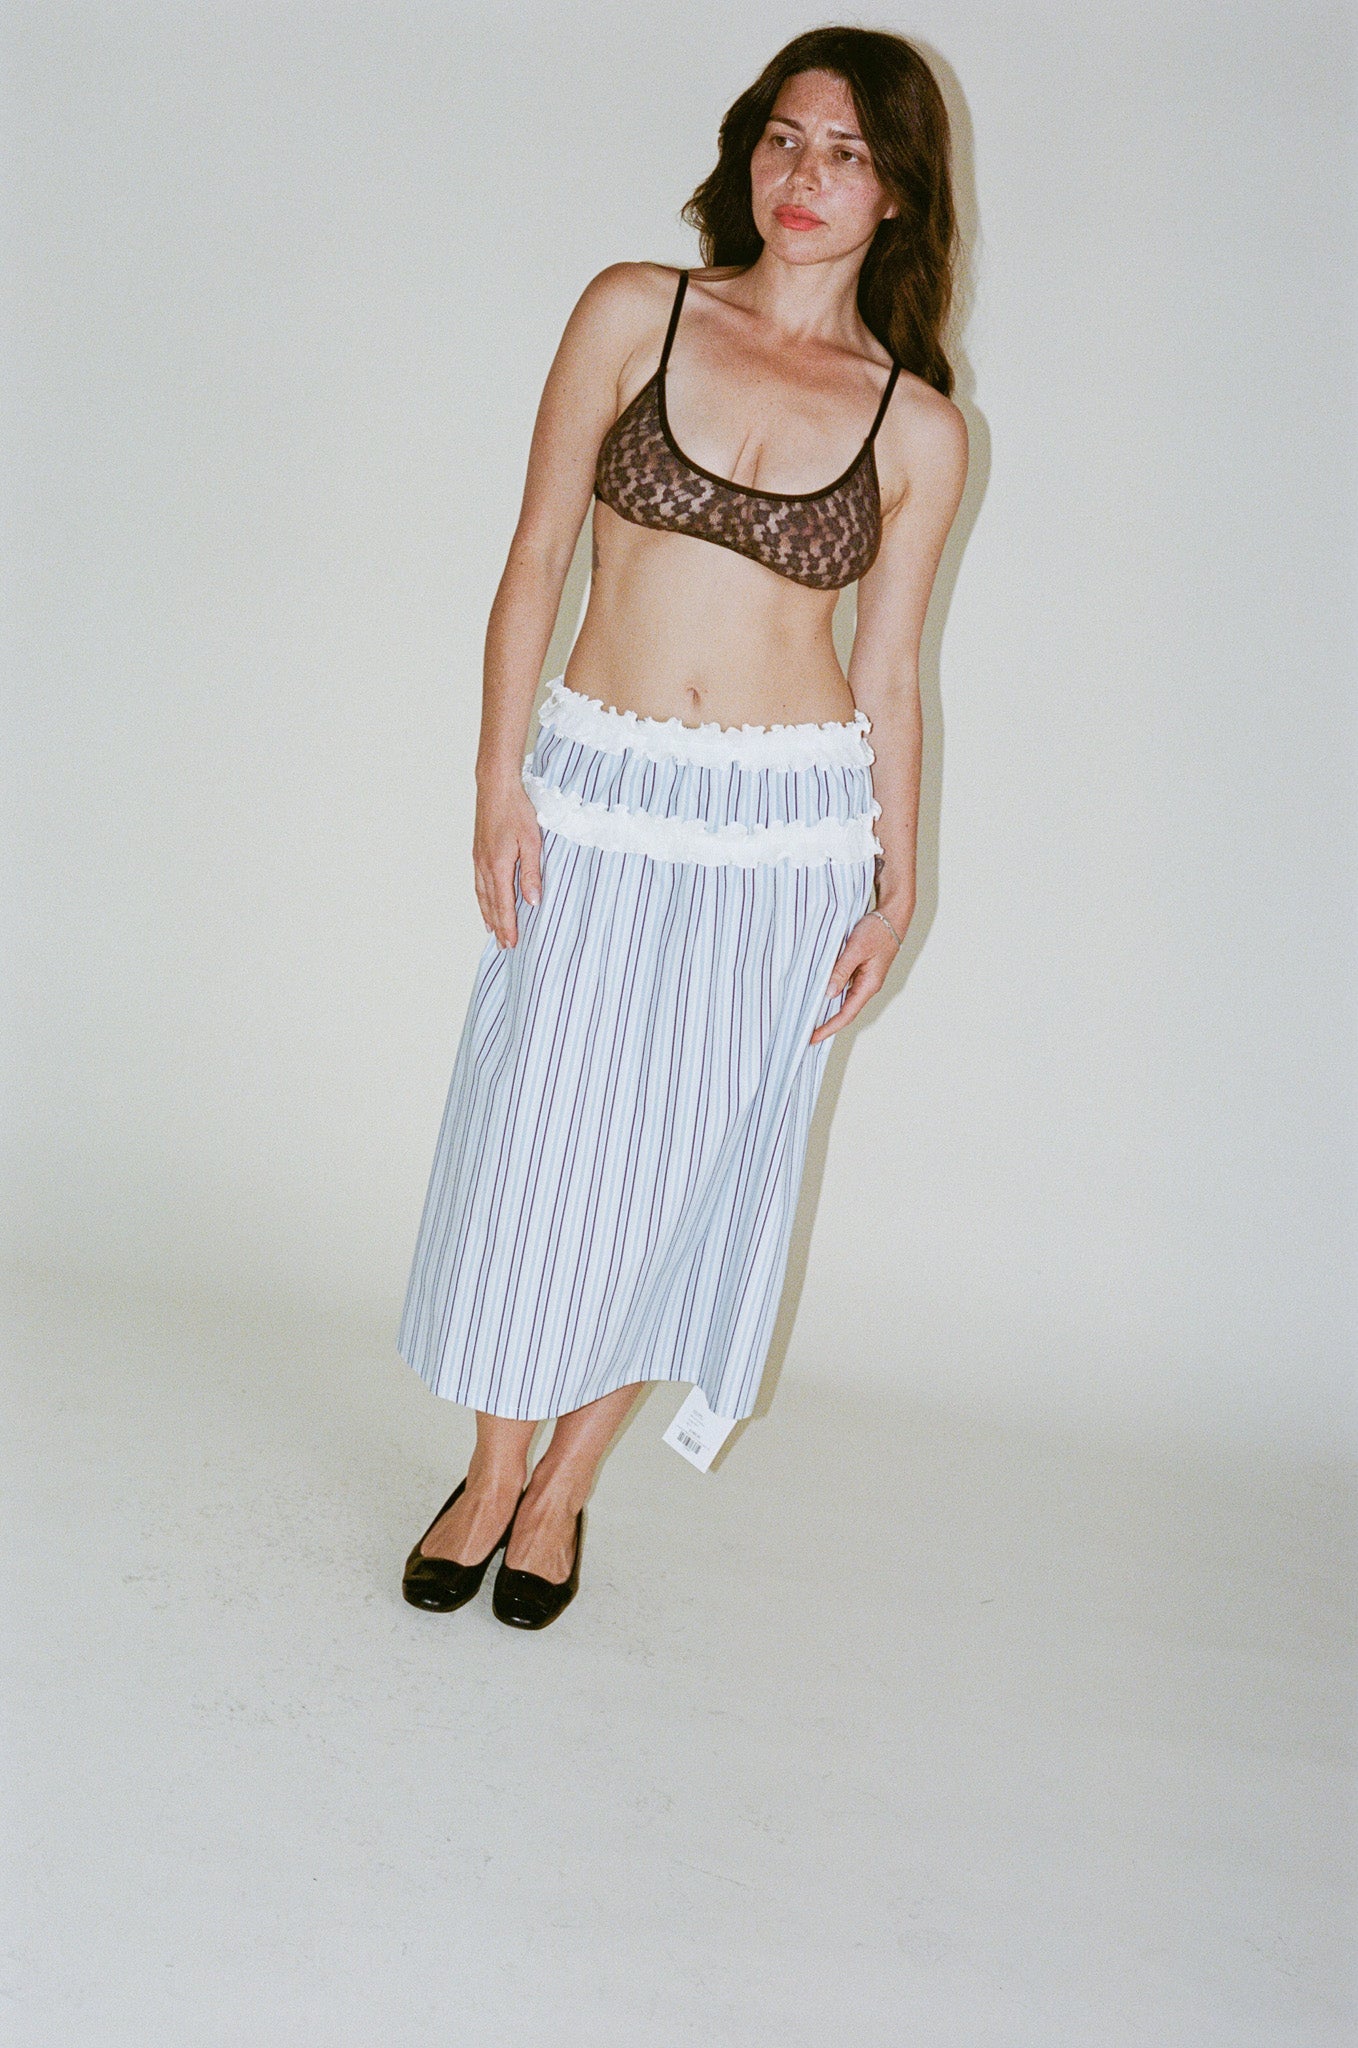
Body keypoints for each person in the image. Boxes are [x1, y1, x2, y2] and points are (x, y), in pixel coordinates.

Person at [397, 25, 969, 1628]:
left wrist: (894, 883)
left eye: (848, 154)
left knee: (689, 1168)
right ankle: (489, 1471)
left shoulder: (916, 426)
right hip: (598, 786)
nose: (806, 176)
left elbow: (890, 673)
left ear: (897, 194)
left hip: (787, 833)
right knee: (534, 1143)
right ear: (746, 150)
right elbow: (535, 556)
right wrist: (496, 778)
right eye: (786, 138)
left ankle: (562, 1491)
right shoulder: (631, 312)